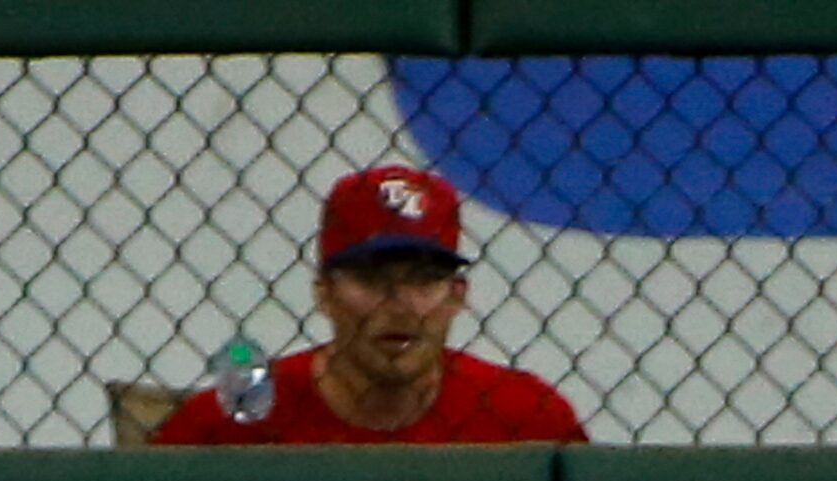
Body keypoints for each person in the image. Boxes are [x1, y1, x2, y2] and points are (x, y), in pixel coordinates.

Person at [151, 165, 586, 447]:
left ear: (458, 296)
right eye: (371, 279)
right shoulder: (231, 423)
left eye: (422, 279)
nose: (399, 306)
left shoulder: (527, 418)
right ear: (324, 293)